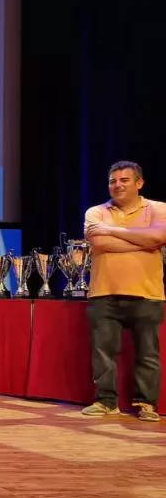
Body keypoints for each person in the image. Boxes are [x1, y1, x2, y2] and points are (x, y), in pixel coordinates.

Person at [81, 160, 166, 422]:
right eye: (112, 181)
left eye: (124, 180)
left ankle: (146, 403)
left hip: (147, 292)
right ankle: (106, 401)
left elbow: (158, 237)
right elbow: (100, 242)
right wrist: (143, 242)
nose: (117, 185)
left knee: (148, 352)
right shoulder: (95, 212)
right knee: (103, 351)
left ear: (139, 183)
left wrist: (114, 231)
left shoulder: (158, 208)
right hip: (103, 292)